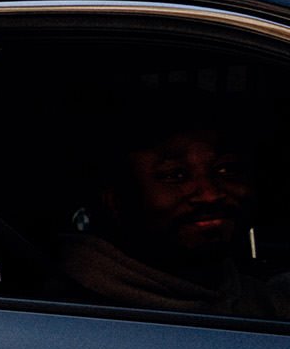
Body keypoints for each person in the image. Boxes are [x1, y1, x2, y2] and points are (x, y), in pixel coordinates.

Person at [55, 111, 288, 319]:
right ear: (115, 200)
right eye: (175, 175)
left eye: (226, 169)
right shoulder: (69, 309)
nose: (209, 195)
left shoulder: (261, 300)